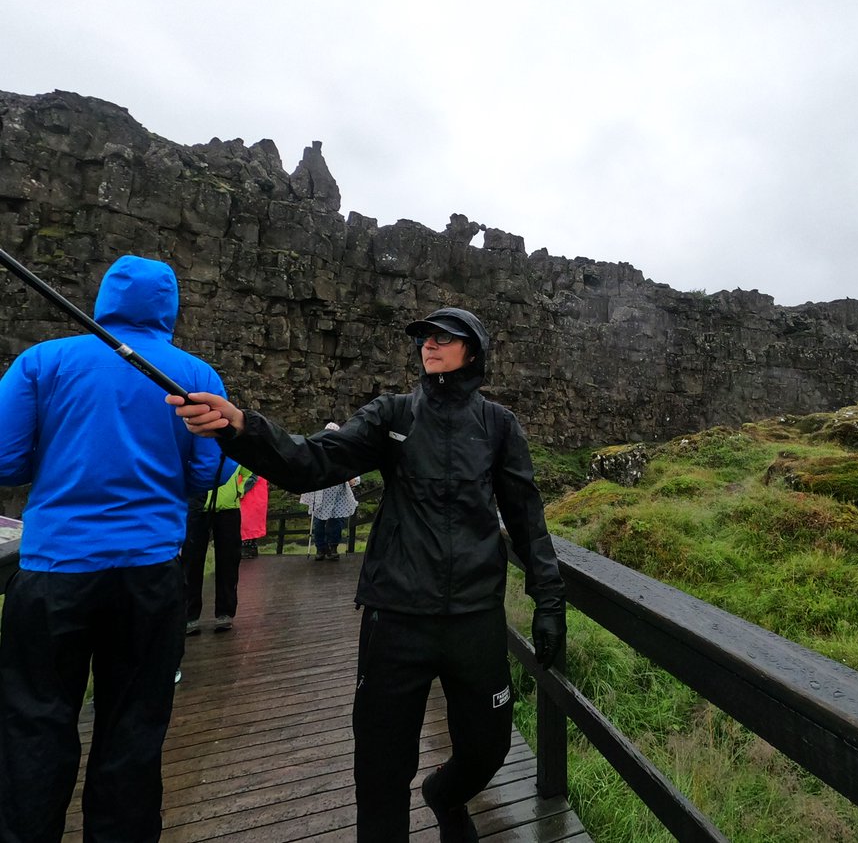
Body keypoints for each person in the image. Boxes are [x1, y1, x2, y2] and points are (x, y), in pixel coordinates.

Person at [171, 307, 566, 843]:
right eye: (426, 336)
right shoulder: (392, 415)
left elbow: (526, 519)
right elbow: (311, 461)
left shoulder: (498, 426)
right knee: (380, 767)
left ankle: (445, 796)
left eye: (446, 337)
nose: (430, 343)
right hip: (396, 616)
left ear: (473, 351)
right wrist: (242, 427)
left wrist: (549, 602)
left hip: (474, 617)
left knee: (489, 747)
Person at [0, 254, 233, 843]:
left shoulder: (43, 361)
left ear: (104, 298)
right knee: (134, 729)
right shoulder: (195, 375)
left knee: (33, 724)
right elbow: (210, 473)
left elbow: (4, 461)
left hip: (53, 571)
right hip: (150, 575)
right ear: (169, 307)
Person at [184, 463, 252, 633]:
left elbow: (251, 470)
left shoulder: (232, 443)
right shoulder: (196, 439)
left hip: (229, 508)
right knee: (191, 562)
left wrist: (239, 490)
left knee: (228, 561)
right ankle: (189, 615)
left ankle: (225, 613)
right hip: (197, 507)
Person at [299, 423, 359, 562]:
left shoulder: (344, 452)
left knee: (336, 521)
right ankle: (321, 549)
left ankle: (333, 548)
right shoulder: (317, 451)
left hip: (339, 493)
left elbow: (354, 470)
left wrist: (353, 479)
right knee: (319, 521)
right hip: (320, 493)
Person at [240, 472, 269, 559]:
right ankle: (250, 549)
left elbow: (252, 478)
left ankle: (247, 550)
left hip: (249, 497)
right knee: (249, 528)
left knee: (246, 526)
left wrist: (239, 491)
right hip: (254, 496)